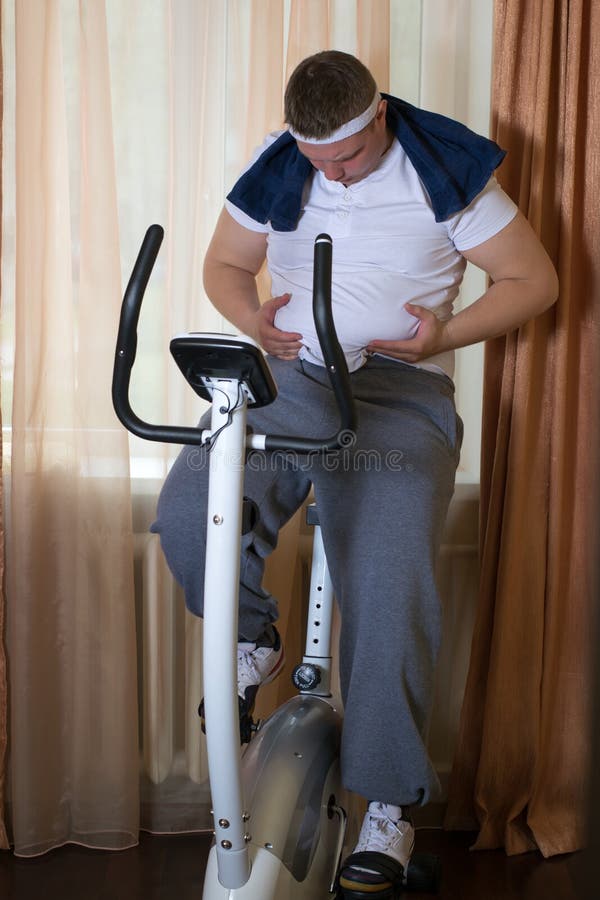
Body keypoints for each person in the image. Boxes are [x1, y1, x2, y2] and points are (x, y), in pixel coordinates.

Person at [151, 51, 558, 897]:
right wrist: (251, 318)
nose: (328, 174)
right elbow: (225, 266)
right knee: (192, 502)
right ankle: (254, 641)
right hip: (295, 382)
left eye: (342, 155)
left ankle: (388, 809)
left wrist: (442, 338)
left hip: (400, 389)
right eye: (315, 159)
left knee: (388, 575)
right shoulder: (280, 165)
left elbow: (535, 280)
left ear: (377, 115)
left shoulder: (447, 169)